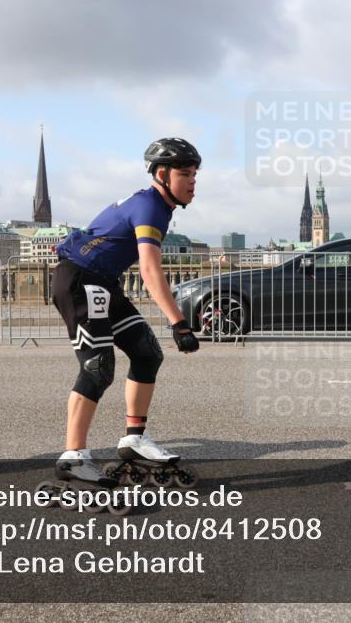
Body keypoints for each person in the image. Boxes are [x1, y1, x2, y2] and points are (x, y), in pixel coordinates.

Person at [50, 138, 201, 484]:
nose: (192, 182)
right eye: (185, 174)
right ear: (163, 174)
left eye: (195, 174)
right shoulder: (149, 208)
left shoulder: (158, 208)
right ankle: (73, 456)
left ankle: (134, 439)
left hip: (103, 281)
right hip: (79, 279)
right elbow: (149, 271)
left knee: (147, 353)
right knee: (98, 366)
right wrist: (179, 323)